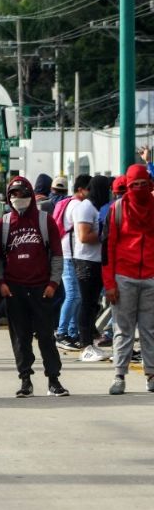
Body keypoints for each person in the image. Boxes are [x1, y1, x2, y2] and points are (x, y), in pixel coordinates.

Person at [0, 177, 68, 397]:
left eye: (22, 194)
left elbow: (56, 255)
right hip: (14, 290)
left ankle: (53, 379)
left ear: (31, 195)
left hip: (41, 289)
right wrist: (1, 283)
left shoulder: (45, 221)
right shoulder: (3, 224)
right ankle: (25, 380)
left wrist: (53, 283)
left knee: (46, 336)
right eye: (13, 195)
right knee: (20, 338)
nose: (18, 199)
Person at [105, 164, 154, 394]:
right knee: (123, 330)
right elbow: (107, 250)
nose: (140, 189)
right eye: (135, 186)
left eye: (144, 185)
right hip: (123, 277)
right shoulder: (117, 210)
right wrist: (109, 284)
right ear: (128, 186)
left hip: (151, 277)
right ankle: (119, 376)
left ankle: (151, 375)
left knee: (150, 330)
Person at [73, 175, 111, 362]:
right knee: (87, 303)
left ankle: (90, 341)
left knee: (93, 302)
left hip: (96, 260)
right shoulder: (86, 207)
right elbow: (84, 236)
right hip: (86, 261)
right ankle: (85, 345)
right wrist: (107, 233)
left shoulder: (96, 207)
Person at [55, 174, 91, 351]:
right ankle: (62, 333)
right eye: (88, 189)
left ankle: (71, 332)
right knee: (74, 295)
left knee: (76, 296)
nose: (90, 192)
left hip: (69, 254)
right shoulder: (77, 206)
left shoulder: (71, 203)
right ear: (80, 190)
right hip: (69, 255)